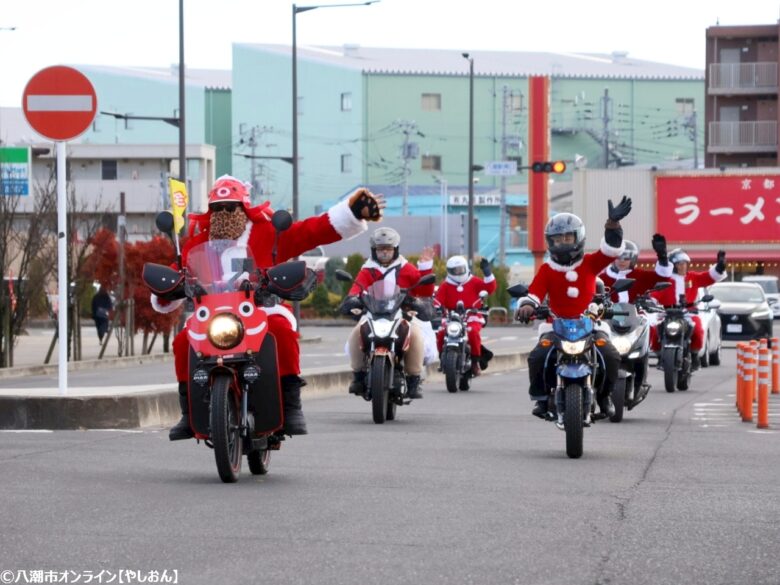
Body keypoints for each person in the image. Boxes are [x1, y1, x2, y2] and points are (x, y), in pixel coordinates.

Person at [152, 175, 384, 440]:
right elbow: (177, 275)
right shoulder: (195, 243)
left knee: (281, 330)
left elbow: (309, 231)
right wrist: (166, 291)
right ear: (210, 210)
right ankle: (188, 412)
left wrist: (352, 212)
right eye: (218, 208)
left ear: (244, 207)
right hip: (212, 314)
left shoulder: (267, 232)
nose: (224, 214)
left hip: (261, 309)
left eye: (231, 207)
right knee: (183, 341)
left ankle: (291, 404)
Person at [514, 197, 632, 419]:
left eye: (568, 237)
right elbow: (535, 292)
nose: (564, 242)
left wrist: (613, 225)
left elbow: (611, 251)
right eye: (558, 239)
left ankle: (604, 396)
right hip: (555, 326)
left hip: (590, 324)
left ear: (578, 238)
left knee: (611, 354)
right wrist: (528, 306)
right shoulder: (547, 269)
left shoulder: (590, 263)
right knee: (537, 357)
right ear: (550, 242)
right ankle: (540, 399)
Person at [341, 227, 435, 399]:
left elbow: (424, 289)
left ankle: (414, 379)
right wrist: (352, 299)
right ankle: (358, 375)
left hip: (402, 314)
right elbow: (356, 288)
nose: (384, 253)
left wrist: (425, 268)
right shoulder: (368, 269)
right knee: (356, 333)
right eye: (380, 249)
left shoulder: (406, 268)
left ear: (395, 250)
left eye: (388, 249)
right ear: (374, 251)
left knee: (414, 335)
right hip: (373, 314)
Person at [649, 244, 727, 369]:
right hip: (667, 312)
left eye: (685, 263)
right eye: (679, 263)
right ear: (673, 265)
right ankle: (660, 356)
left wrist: (719, 267)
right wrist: (650, 301)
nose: (682, 266)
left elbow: (709, 277)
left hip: (688, 312)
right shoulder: (666, 279)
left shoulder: (693, 277)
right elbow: (655, 293)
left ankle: (695, 356)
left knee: (698, 330)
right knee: (654, 331)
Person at [434, 255, 496, 376]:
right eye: (455, 270)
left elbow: (490, 288)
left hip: (472, 314)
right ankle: (443, 358)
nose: (458, 272)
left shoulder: (474, 281)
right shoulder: (445, 285)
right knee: (441, 332)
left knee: (472, 332)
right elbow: (437, 300)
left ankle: (475, 362)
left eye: (460, 269)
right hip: (451, 316)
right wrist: (437, 307)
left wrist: (487, 273)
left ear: (466, 268)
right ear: (449, 271)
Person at [599, 236, 672, 303]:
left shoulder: (640, 276)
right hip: (607, 316)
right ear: (612, 259)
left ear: (633, 259)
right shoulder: (602, 279)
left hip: (637, 316)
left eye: (626, 258)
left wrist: (662, 257)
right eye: (618, 257)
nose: (622, 261)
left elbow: (662, 278)